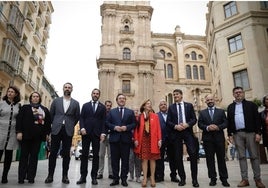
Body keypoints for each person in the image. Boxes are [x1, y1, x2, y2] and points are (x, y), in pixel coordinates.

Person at [227, 86, 265, 188]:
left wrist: (258, 133)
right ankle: (245, 179)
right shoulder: (230, 107)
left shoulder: (251, 105)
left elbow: (257, 120)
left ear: (243, 93)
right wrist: (229, 134)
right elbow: (229, 121)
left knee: (254, 156)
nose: (238, 94)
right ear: (233, 94)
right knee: (242, 157)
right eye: (236, 92)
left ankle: (258, 179)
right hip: (237, 134)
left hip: (251, 134)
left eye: (240, 92)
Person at [45, 82, 80, 184]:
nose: (67, 89)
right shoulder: (56, 101)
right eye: (66, 87)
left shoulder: (76, 103)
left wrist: (70, 124)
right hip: (56, 129)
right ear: (63, 88)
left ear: (72, 89)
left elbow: (77, 117)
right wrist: (55, 124)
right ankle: (50, 175)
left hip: (68, 130)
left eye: (69, 87)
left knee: (66, 154)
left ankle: (65, 176)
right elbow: (51, 115)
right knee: (53, 153)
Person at [16, 91, 51, 184]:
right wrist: (19, 132)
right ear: (31, 98)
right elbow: (19, 120)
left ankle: (31, 177)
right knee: (23, 157)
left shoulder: (44, 110)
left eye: (37, 96)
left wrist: (47, 134)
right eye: (33, 96)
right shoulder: (25, 108)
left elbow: (48, 123)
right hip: (26, 136)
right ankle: (21, 178)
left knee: (34, 158)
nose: (35, 98)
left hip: (38, 137)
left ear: (39, 98)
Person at [166, 89, 199, 187]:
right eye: (174, 94)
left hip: (188, 132)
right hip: (176, 133)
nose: (175, 96)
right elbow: (168, 121)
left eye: (177, 94)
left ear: (181, 95)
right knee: (177, 156)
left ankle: (194, 180)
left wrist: (187, 124)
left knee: (193, 154)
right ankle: (182, 178)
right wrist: (176, 126)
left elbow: (194, 119)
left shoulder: (189, 106)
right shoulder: (171, 107)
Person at [197, 94, 230, 187]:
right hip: (208, 140)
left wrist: (218, 127)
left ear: (214, 100)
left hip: (219, 139)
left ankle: (224, 179)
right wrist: (207, 127)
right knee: (210, 160)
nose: (210, 101)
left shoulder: (221, 111)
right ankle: (212, 179)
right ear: (206, 101)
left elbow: (226, 122)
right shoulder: (202, 113)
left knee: (221, 160)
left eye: (211, 99)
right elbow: (200, 124)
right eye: (208, 100)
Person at [76, 88, 106, 185]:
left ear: (99, 95)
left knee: (96, 156)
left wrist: (103, 133)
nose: (95, 95)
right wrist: (82, 128)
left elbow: (103, 121)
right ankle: (83, 176)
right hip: (86, 133)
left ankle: (94, 176)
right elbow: (81, 118)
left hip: (97, 134)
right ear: (91, 94)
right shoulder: (85, 105)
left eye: (97, 93)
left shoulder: (102, 107)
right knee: (84, 155)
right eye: (94, 93)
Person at [106, 93, 136, 187]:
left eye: (123, 98)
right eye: (120, 98)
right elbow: (106, 123)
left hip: (125, 140)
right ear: (117, 100)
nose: (122, 100)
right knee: (114, 161)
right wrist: (114, 127)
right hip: (114, 139)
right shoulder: (111, 112)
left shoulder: (130, 112)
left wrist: (126, 128)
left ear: (125, 100)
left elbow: (134, 124)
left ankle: (124, 179)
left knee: (125, 161)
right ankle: (115, 179)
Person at [133, 99, 162, 187]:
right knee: (144, 159)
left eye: (150, 104)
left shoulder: (155, 116)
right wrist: (136, 139)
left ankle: (152, 177)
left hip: (152, 139)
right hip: (143, 139)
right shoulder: (140, 116)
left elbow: (158, 128)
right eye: (147, 104)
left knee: (152, 159)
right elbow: (136, 129)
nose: (149, 105)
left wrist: (159, 139)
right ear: (144, 106)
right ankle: (145, 178)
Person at [0, 86, 21, 183]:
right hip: (1, 132)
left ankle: (4, 176)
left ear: (16, 94)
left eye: (12, 92)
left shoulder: (18, 106)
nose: (10, 93)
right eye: (8, 91)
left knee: (8, 158)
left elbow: (20, 120)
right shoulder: (1, 104)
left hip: (12, 133)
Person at [97, 100, 113, 180]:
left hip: (111, 136)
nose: (109, 107)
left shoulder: (113, 114)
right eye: (107, 105)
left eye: (110, 106)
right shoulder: (101, 114)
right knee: (101, 155)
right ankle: (100, 173)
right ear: (105, 106)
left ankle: (111, 173)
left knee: (111, 156)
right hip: (102, 136)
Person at [155, 99, 168, 182]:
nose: (163, 106)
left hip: (171, 139)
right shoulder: (156, 116)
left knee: (173, 158)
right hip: (161, 140)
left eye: (164, 104)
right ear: (159, 107)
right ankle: (160, 176)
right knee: (160, 159)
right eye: (161, 105)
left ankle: (174, 175)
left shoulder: (171, 114)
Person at [128, 108, 141, 183]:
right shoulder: (130, 121)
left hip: (138, 144)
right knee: (131, 160)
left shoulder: (140, 122)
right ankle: (131, 175)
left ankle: (138, 176)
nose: (135, 113)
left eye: (137, 111)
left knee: (138, 161)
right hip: (130, 144)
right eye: (134, 112)